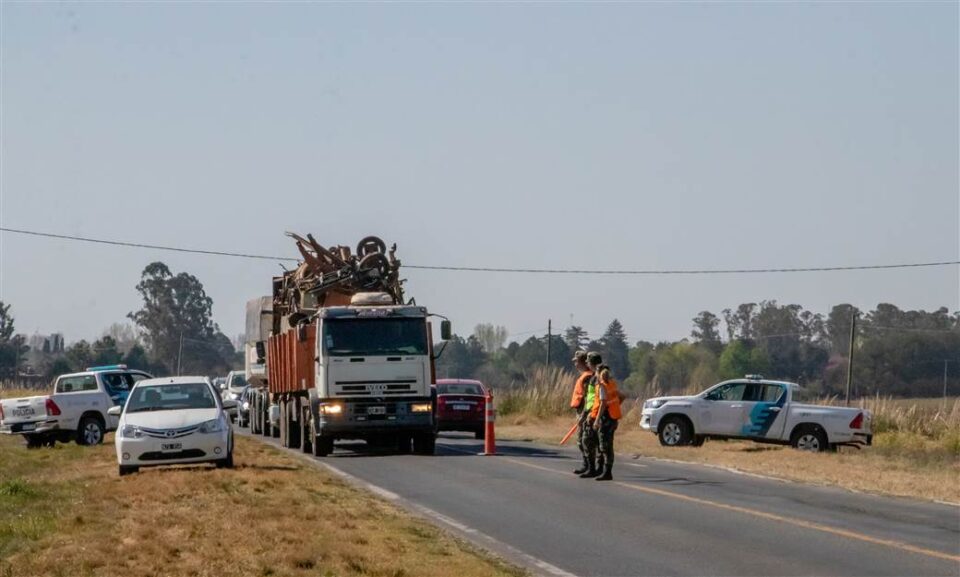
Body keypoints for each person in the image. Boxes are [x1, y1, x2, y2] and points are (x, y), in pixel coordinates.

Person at [590, 360, 622, 481]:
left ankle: (607, 472)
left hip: (606, 418)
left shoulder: (602, 386)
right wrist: (615, 406)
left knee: (605, 446)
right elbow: (622, 396)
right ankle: (605, 471)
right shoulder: (612, 384)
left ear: (598, 373)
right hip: (613, 417)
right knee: (608, 445)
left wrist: (597, 420)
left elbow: (603, 403)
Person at [578, 352, 604, 478]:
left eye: (588, 362)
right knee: (595, 442)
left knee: (588, 440)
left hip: (594, 413)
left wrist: (589, 415)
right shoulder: (596, 377)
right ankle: (595, 468)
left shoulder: (597, 378)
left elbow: (597, 398)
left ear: (592, 363)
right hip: (592, 411)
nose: (587, 364)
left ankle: (594, 468)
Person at [569, 351, 594, 475]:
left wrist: (584, 415)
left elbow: (587, 397)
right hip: (581, 411)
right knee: (582, 440)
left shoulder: (588, 377)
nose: (575, 364)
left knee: (584, 440)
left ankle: (589, 466)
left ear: (583, 362)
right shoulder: (585, 375)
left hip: (585, 412)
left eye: (576, 361)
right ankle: (587, 465)